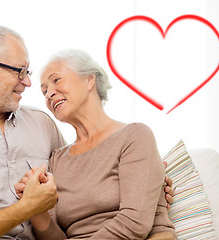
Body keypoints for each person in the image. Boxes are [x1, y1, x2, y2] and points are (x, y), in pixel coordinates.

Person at [0, 25, 174, 240]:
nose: (29, 83)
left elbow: (89, 175)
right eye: (19, 71)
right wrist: (25, 210)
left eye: (32, 73)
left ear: (90, 79)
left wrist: (149, 177)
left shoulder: (42, 125)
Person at [15, 49, 177, 239]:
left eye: (56, 80)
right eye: (44, 91)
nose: (49, 93)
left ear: (89, 79)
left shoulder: (134, 136)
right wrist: (35, 210)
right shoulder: (58, 159)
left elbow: (134, 223)